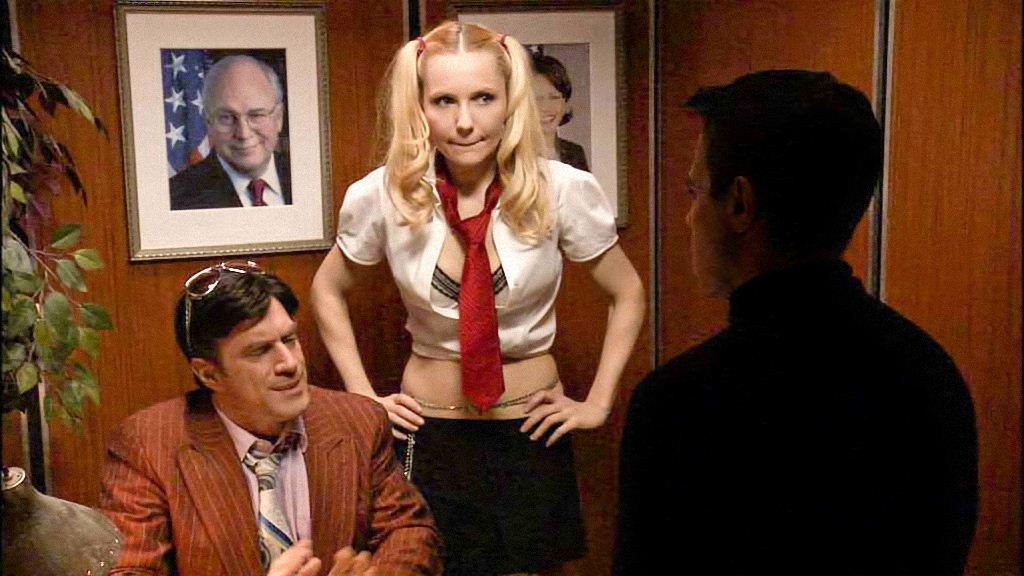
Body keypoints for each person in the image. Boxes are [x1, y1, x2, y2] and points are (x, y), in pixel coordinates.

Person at [311, 21, 645, 575]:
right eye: (444, 101)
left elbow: (627, 291)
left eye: (483, 98)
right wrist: (362, 395)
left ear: (510, 102)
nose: (465, 121)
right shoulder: (383, 194)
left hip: (529, 432)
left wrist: (598, 403)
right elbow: (328, 288)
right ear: (420, 107)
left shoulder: (562, 189)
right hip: (429, 433)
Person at [613, 70, 978, 575]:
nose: (688, 218)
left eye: (695, 191)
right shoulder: (930, 373)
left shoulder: (679, 403)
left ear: (739, 203)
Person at [100, 261, 442, 575]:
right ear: (209, 374)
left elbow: (409, 531)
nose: (290, 363)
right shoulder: (149, 445)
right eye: (260, 350)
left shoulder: (358, 421)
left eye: (289, 339)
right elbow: (128, 571)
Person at [170, 54, 292, 210]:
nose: (243, 134)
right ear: (208, 122)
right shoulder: (175, 199)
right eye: (227, 117)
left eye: (256, 115)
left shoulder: (310, 177)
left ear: (279, 118)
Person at [531, 51, 589, 171]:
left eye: (554, 97)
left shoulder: (575, 153)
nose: (546, 107)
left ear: (565, 102)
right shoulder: (510, 153)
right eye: (538, 98)